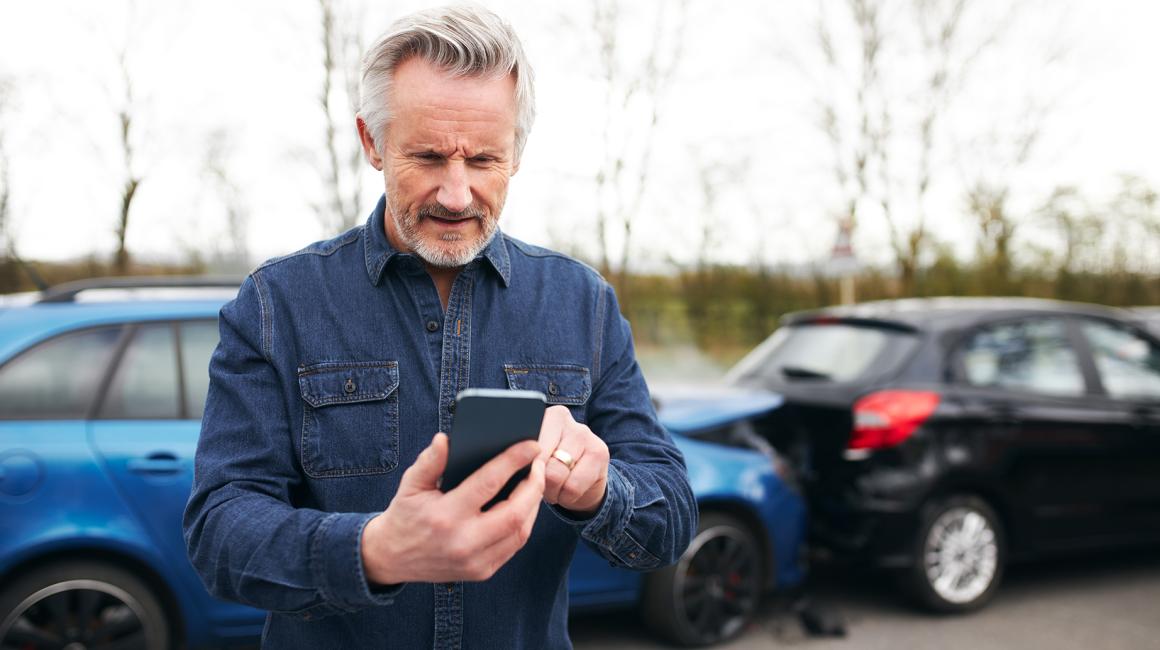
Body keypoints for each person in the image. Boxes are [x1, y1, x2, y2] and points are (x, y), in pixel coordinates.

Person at [183, 5, 697, 649]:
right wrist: (375, 550)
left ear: (516, 152)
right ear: (372, 141)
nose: (456, 195)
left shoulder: (582, 303)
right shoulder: (276, 304)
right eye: (428, 156)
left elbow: (671, 519)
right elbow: (219, 533)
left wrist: (600, 491)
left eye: (483, 160)